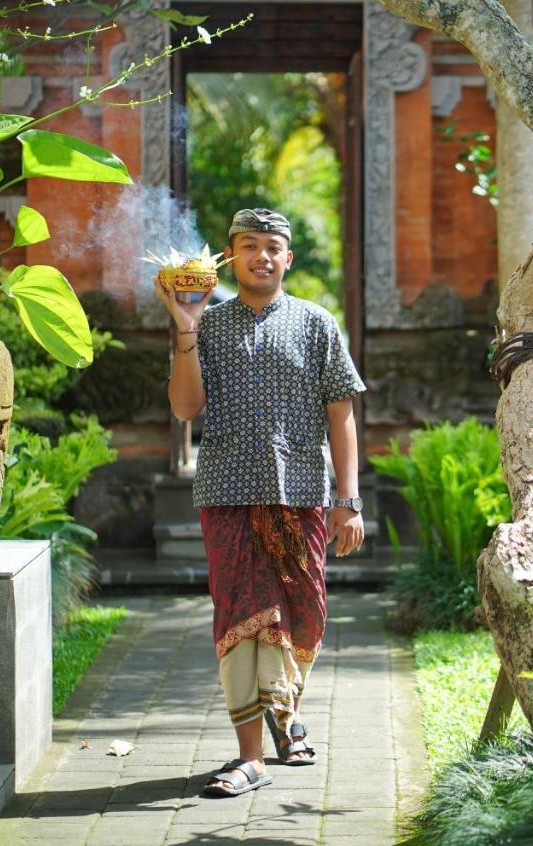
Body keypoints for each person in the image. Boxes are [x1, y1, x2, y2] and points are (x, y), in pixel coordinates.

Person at [153, 208, 366, 798]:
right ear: (230, 257)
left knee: (305, 614)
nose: (262, 256)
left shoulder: (318, 324)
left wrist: (349, 499)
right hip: (226, 493)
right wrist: (184, 325)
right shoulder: (208, 325)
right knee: (245, 616)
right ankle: (250, 756)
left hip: (301, 493)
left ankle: (285, 711)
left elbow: (342, 416)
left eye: (272, 247)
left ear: (287, 258)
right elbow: (185, 409)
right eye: (249, 246)